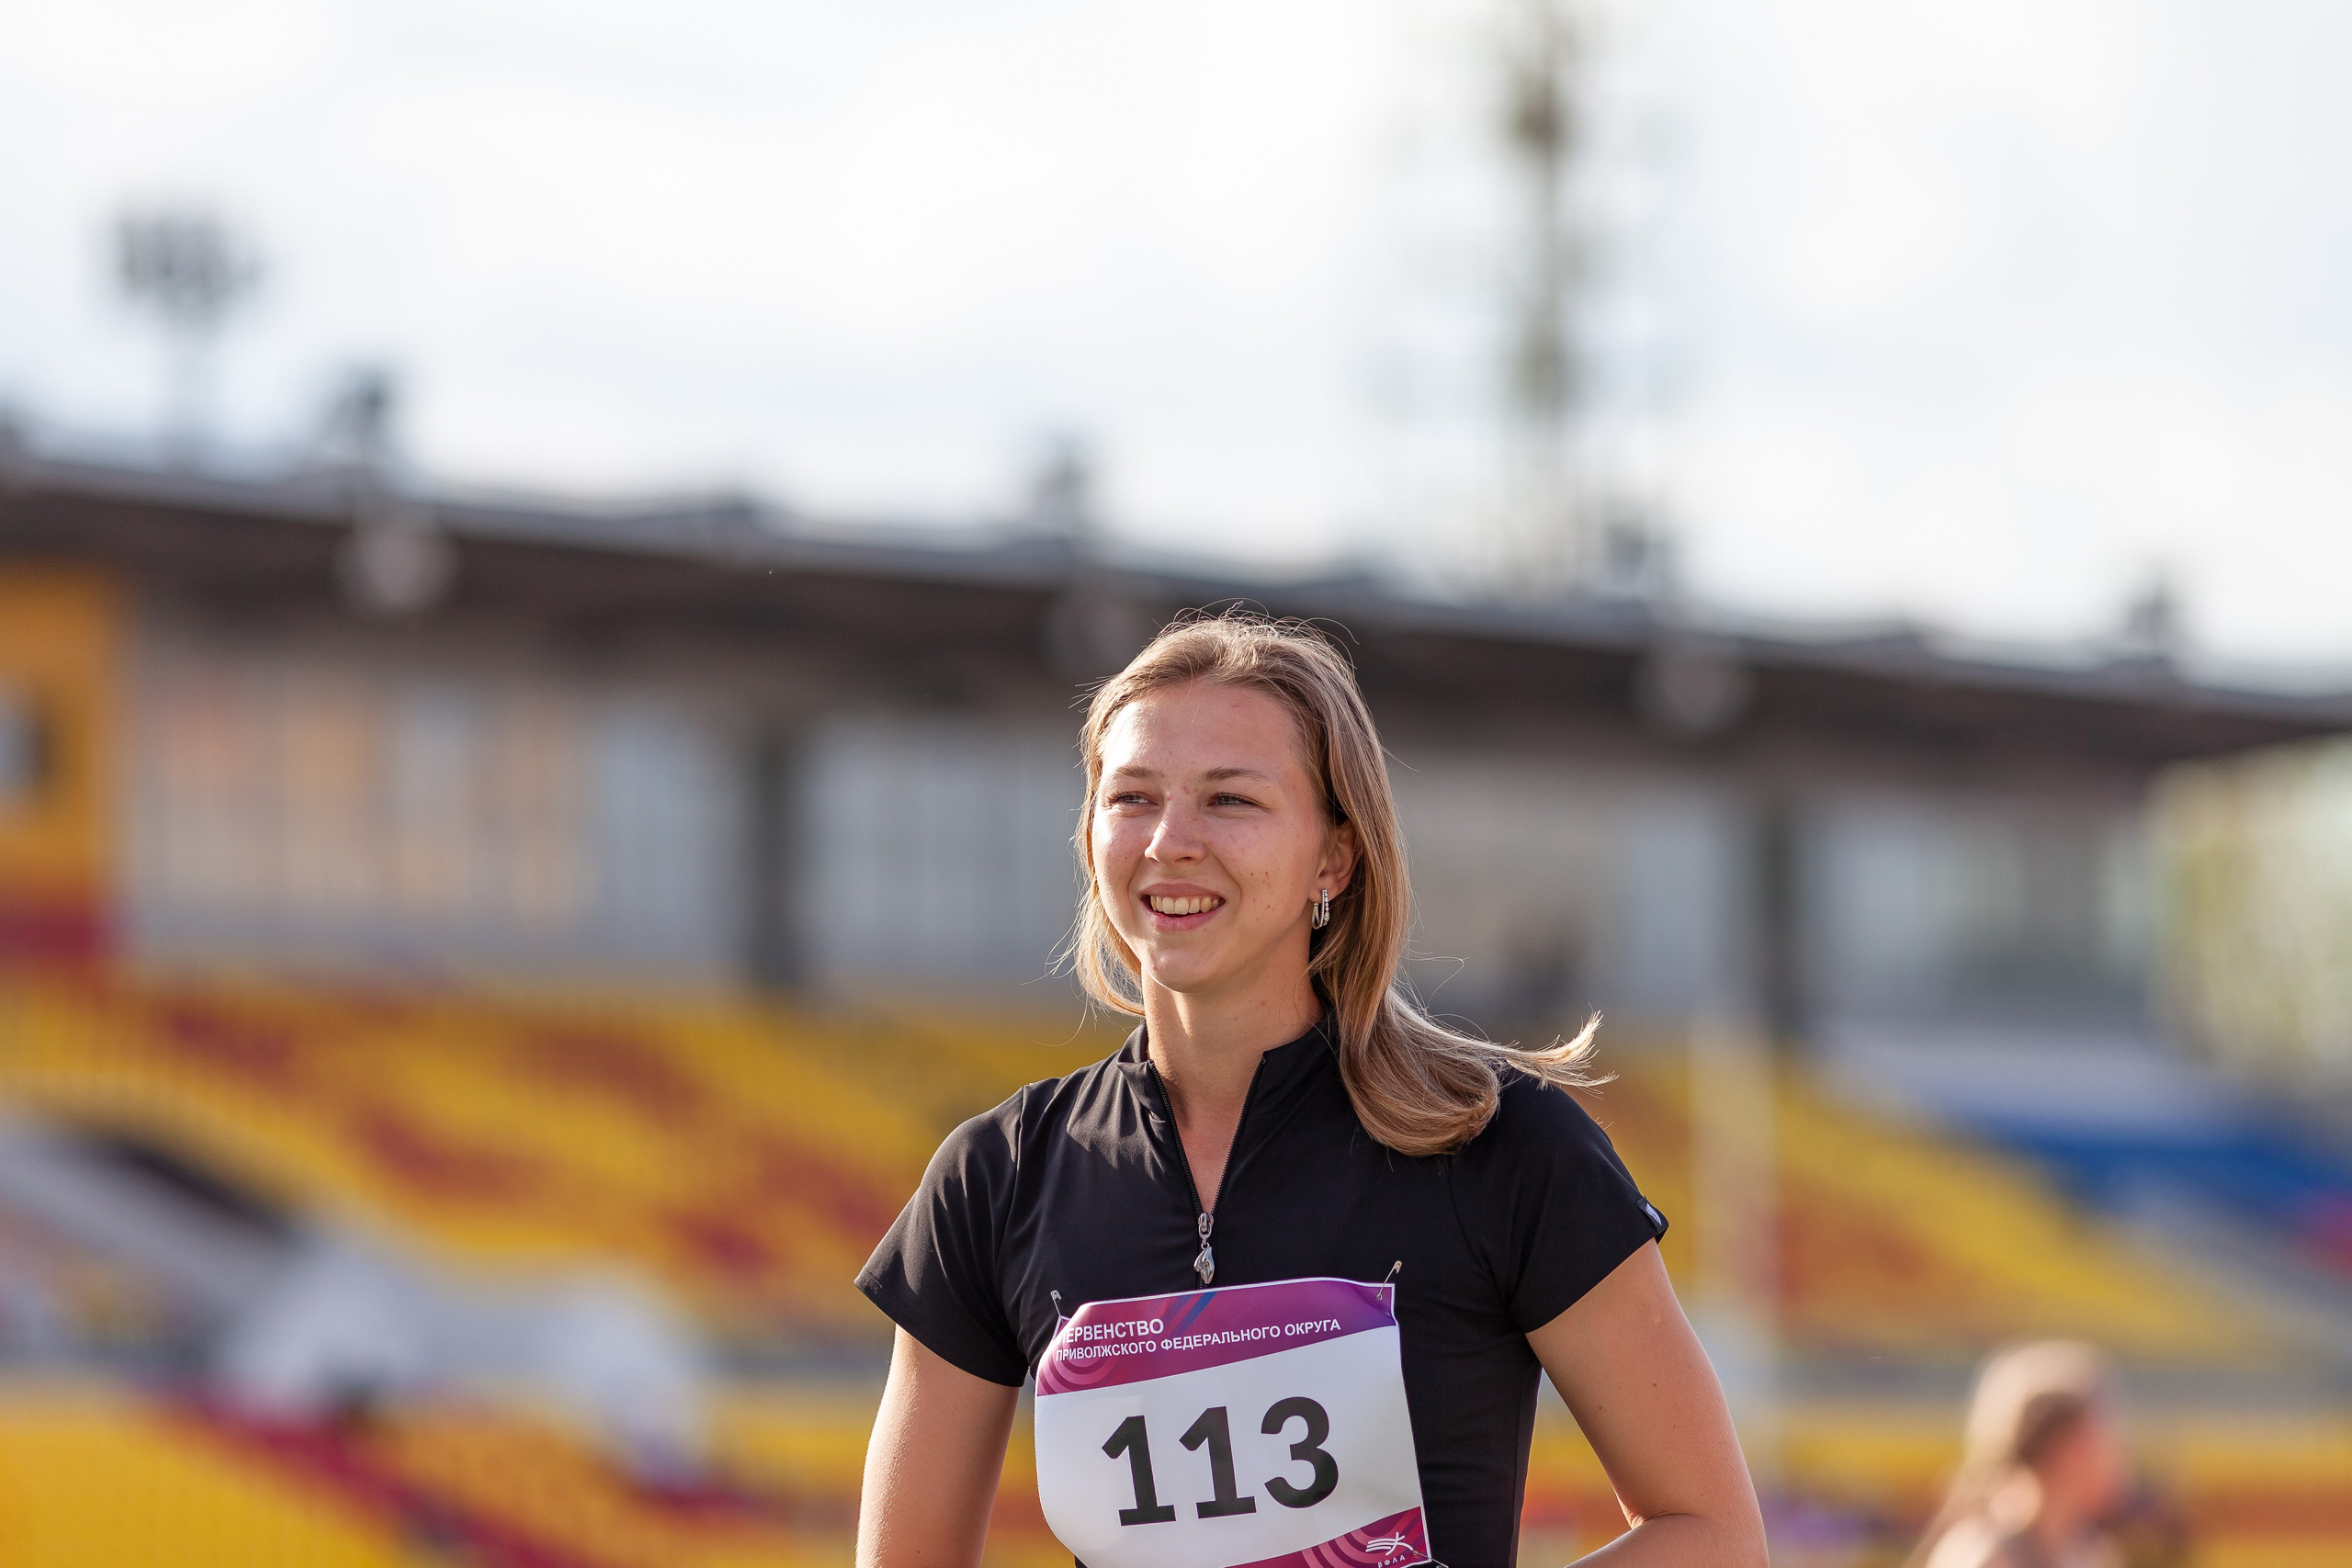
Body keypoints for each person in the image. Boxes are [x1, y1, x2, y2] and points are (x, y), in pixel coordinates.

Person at [854, 615, 1766, 1568]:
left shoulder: (1505, 1146)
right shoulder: (993, 1178)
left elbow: (1714, 1537)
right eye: (1132, 796)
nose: (1170, 841)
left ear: (1334, 857)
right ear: (1089, 841)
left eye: (1229, 800)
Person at [1912, 1341, 2132, 1568]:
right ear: (2066, 1447)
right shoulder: (1985, 1557)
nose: (2118, 1456)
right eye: (2104, 1436)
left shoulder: (2088, 1553)